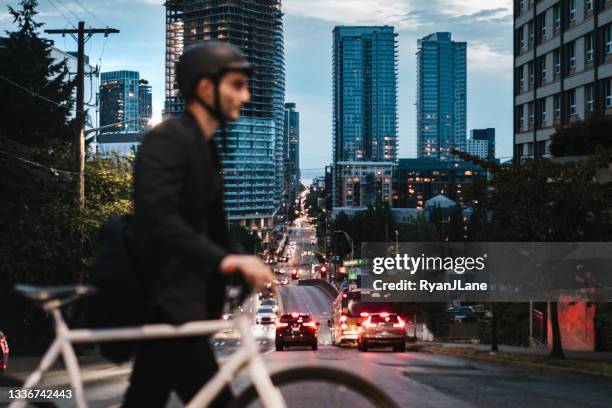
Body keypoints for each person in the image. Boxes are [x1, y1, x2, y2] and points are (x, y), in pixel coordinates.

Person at [123, 42, 274, 407]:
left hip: (180, 309)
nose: (246, 95)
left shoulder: (204, 148)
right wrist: (226, 262)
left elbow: (209, 232)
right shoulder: (168, 140)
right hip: (167, 304)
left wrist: (236, 264)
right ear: (206, 88)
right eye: (237, 85)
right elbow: (158, 218)